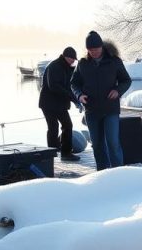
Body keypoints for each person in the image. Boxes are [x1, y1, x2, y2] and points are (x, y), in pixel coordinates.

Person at [71, 31, 132, 170]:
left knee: (113, 142)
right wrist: (79, 95)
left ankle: (119, 173)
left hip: (110, 110)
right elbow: (74, 83)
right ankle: (102, 174)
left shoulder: (114, 61)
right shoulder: (83, 63)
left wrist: (118, 90)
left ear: (102, 47)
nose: (93, 52)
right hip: (91, 111)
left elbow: (126, 80)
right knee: (97, 144)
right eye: (90, 50)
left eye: (96, 49)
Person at [39, 46, 81, 161]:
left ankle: (65, 153)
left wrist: (76, 100)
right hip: (48, 103)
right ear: (66, 56)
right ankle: (51, 154)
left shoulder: (67, 68)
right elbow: (54, 86)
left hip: (59, 104)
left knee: (67, 125)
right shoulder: (54, 66)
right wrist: (71, 97)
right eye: (72, 58)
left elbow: (70, 86)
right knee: (53, 127)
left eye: (74, 59)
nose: (73, 60)